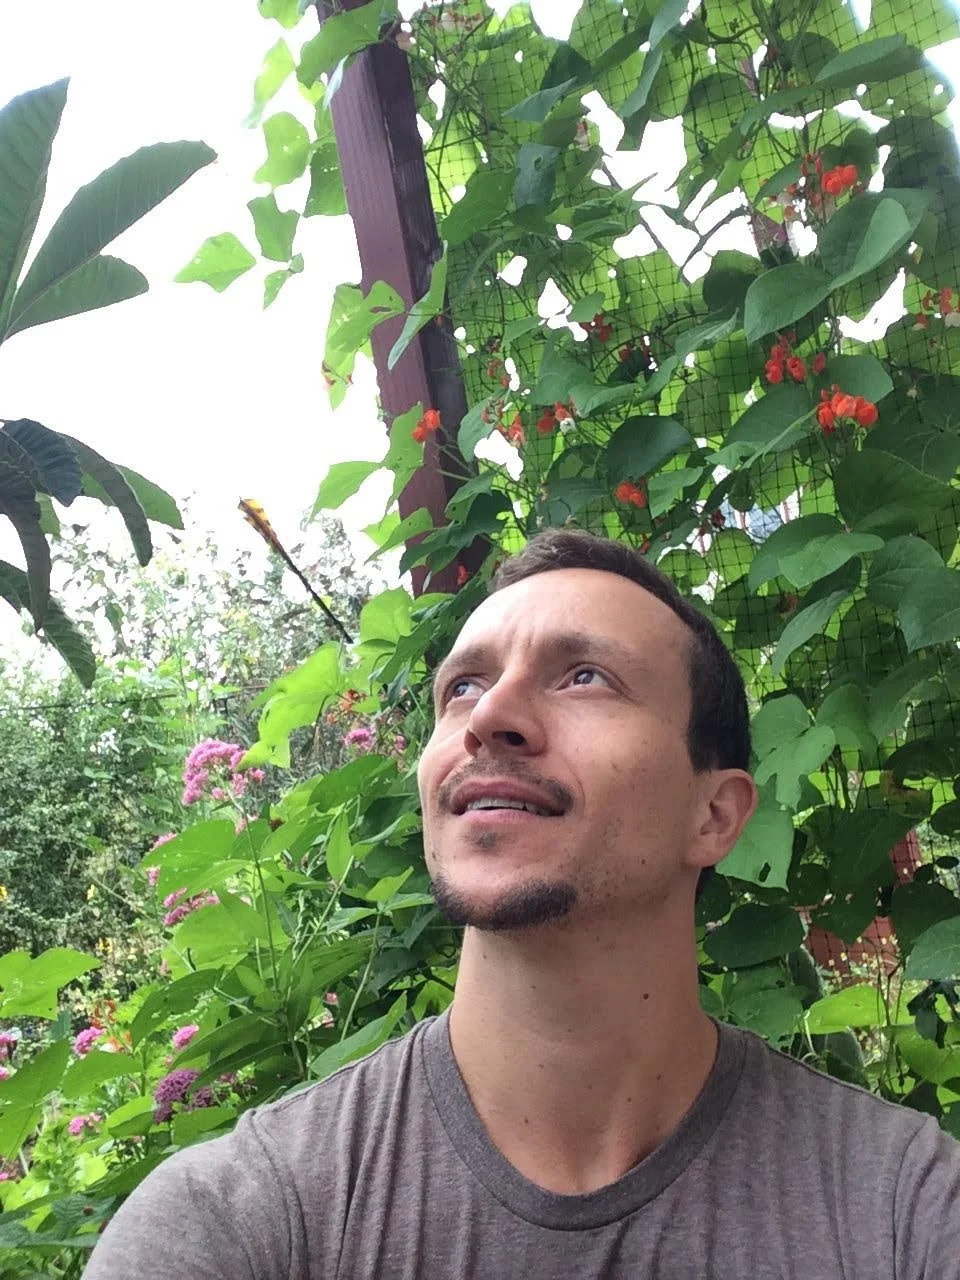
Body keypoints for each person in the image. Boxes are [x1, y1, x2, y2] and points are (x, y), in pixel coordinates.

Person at [85, 528, 960, 1278]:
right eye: (462, 687)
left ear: (715, 816)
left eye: (584, 677)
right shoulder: (235, 1225)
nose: (488, 716)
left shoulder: (903, 1210)